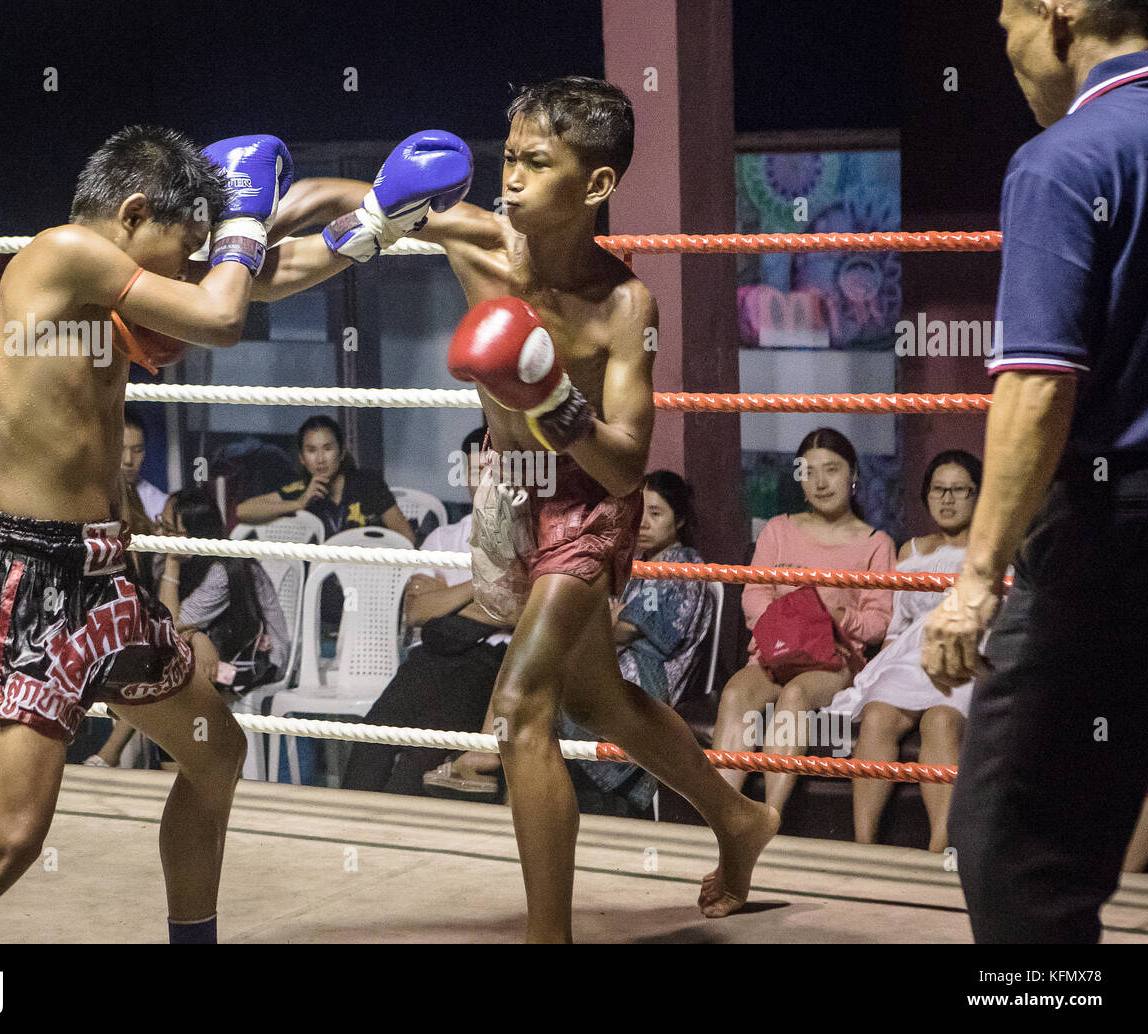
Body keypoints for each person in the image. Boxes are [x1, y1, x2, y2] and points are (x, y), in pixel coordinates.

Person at [0, 124, 468, 944]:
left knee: (216, 754)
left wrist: (377, 220)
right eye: (183, 242)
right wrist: (237, 224)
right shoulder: (60, 255)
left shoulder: (110, 284)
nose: (191, 260)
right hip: (35, 586)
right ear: (131, 212)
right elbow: (224, 313)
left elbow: (257, 281)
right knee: (10, 840)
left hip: (108, 581)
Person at [274, 76, 779, 941]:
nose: (508, 177)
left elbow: (625, 470)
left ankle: (550, 933)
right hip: (508, 501)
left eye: (535, 163)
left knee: (517, 712)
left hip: (587, 508)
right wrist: (251, 230)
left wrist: (552, 398)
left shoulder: (626, 306)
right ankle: (737, 819)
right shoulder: (471, 238)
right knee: (602, 702)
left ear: (594, 186)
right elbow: (335, 206)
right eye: (507, 155)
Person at [922, 1, 1148, 943]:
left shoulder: (1067, 158)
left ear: (1058, 14)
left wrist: (973, 584)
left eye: (1006, 21)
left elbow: (1038, 388)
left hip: (1112, 539)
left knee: (1016, 847)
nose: (1007, 51)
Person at [711, 428, 895, 816]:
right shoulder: (777, 530)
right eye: (808, 472)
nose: (820, 481)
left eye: (831, 470)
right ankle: (724, 822)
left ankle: (767, 822)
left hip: (835, 661)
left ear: (853, 475)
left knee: (795, 696)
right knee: (734, 695)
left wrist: (836, 616)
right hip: (773, 654)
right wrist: (797, 622)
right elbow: (754, 596)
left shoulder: (877, 542)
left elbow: (879, 621)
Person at [341, 427, 514, 794]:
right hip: (432, 654)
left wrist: (448, 600)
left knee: (418, 764)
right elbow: (417, 612)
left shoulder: (526, 538)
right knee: (371, 743)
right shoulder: (444, 538)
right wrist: (480, 587)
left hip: (488, 661)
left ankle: (397, 845)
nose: (482, 480)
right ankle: (347, 839)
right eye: (473, 471)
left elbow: (521, 610)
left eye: (491, 469)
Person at [828, 450, 981, 851]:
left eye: (958, 490)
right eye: (937, 490)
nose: (947, 499)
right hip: (911, 655)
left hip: (967, 652)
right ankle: (864, 847)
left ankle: (939, 849)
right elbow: (897, 626)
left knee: (941, 722)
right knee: (876, 716)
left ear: (978, 495)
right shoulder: (910, 551)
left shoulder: (995, 550)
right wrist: (874, 672)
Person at [90, 488, 292, 770]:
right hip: (205, 649)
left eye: (170, 530)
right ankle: (142, 766)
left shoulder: (220, 570)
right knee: (160, 666)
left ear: (196, 535)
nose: (161, 534)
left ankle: (116, 756)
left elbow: (168, 625)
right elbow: (159, 627)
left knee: (173, 678)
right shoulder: (169, 555)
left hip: (253, 657)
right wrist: (197, 638)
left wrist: (172, 566)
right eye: (162, 523)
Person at [556, 471, 716, 818]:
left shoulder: (683, 564)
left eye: (656, 513)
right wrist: (606, 620)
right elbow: (603, 622)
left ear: (681, 518)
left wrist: (609, 620)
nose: (642, 521)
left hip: (651, 673)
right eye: (638, 510)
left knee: (575, 695)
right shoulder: (633, 563)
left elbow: (623, 629)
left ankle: (600, 809)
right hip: (614, 660)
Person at [236, 414, 415, 543]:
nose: (320, 459)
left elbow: (407, 537)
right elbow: (243, 511)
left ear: (342, 452)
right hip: (320, 583)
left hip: (369, 578)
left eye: (327, 448)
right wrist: (299, 503)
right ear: (302, 459)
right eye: (311, 451)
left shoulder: (367, 483)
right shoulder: (301, 489)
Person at [121, 405, 167, 524]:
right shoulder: (89, 496)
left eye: (137, 450)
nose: (128, 460)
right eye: (120, 449)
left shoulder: (159, 504)